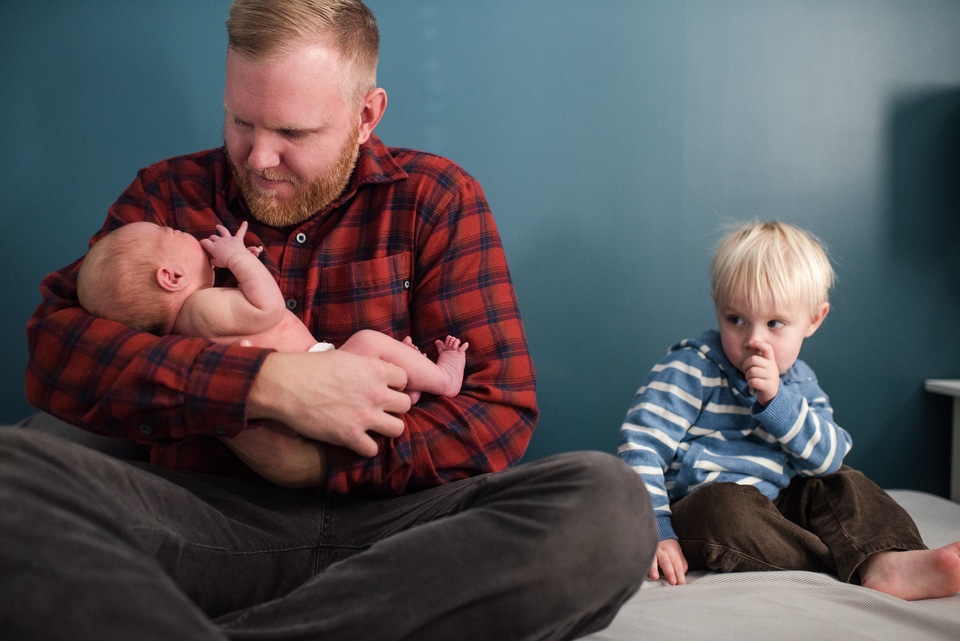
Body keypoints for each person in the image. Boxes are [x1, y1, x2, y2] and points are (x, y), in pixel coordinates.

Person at [4, 1, 657, 639]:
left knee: (610, 505)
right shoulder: (167, 199)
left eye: (293, 133)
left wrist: (314, 462)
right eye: (240, 120)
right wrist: (264, 386)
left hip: (401, 537)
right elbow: (59, 353)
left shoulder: (435, 199)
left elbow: (494, 413)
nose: (259, 157)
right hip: (201, 517)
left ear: (366, 116)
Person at [618, 220, 960, 601]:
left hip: (778, 508)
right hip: (707, 508)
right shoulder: (691, 367)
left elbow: (827, 460)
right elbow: (641, 449)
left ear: (813, 320)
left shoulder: (798, 381)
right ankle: (856, 562)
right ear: (718, 305)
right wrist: (658, 531)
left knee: (843, 479)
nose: (753, 340)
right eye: (736, 320)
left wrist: (776, 402)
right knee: (723, 506)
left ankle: (889, 558)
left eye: (774, 323)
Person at [76, 220, 469, 402]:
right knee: (367, 341)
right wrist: (239, 262)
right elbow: (267, 309)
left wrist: (238, 265)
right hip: (319, 373)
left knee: (375, 357)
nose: (190, 236)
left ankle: (407, 385)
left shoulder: (189, 323)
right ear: (172, 277)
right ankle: (443, 377)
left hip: (314, 382)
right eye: (175, 235)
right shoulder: (202, 306)